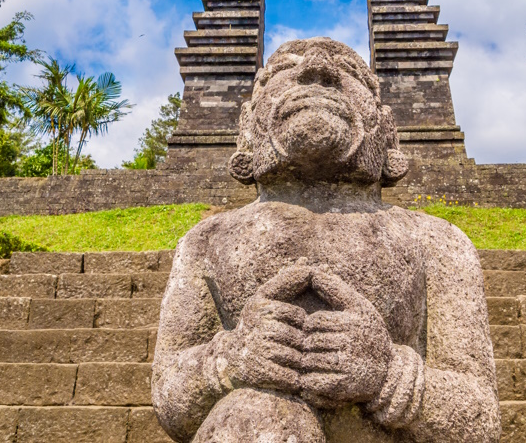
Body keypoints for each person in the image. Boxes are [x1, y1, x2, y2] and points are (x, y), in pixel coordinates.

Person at [152, 37, 501, 442]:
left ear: (387, 131)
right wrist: (227, 359)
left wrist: (390, 375)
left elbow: (479, 418)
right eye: (282, 72)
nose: (317, 69)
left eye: (350, 73)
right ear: (248, 128)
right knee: (253, 415)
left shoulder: (438, 241)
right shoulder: (206, 242)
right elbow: (170, 401)